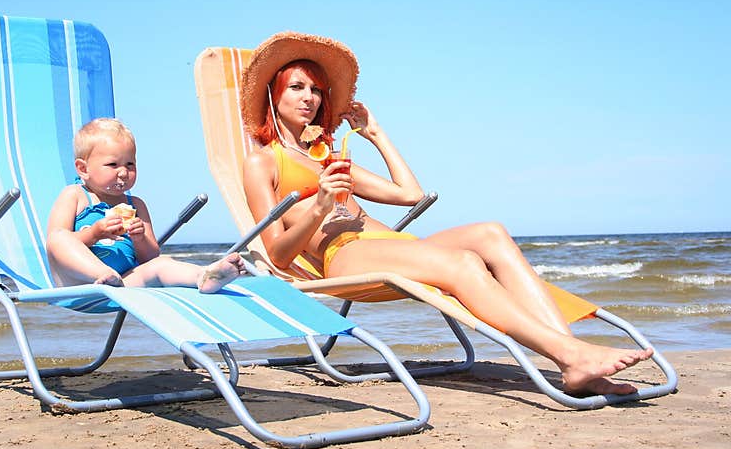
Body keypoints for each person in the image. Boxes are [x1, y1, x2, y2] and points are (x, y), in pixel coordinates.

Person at [239, 31, 654, 396]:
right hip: (347, 256)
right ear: (274, 97)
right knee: (462, 263)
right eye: (296, 87)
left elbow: (409, 193)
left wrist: (376, 134)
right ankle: (571, 356)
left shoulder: (329, 159)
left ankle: (574, 361)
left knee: (490, 232)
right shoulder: (265, 162)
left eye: (315, 90)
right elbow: (276, 254)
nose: (309, 97)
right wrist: (320, 208)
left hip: (392, 247)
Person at [47, 118, 245, 293]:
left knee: (161, 264)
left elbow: (149, 257)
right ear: (83, 169)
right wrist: (95, 233)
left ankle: (203, 276)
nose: (123, 173)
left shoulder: (136, 205)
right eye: (113, 165)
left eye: (130, 164)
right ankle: (104, 274)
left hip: (123, 283)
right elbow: (56, 244)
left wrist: (139, 238)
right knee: (58, 238)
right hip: (78, 285)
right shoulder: (74, 195)